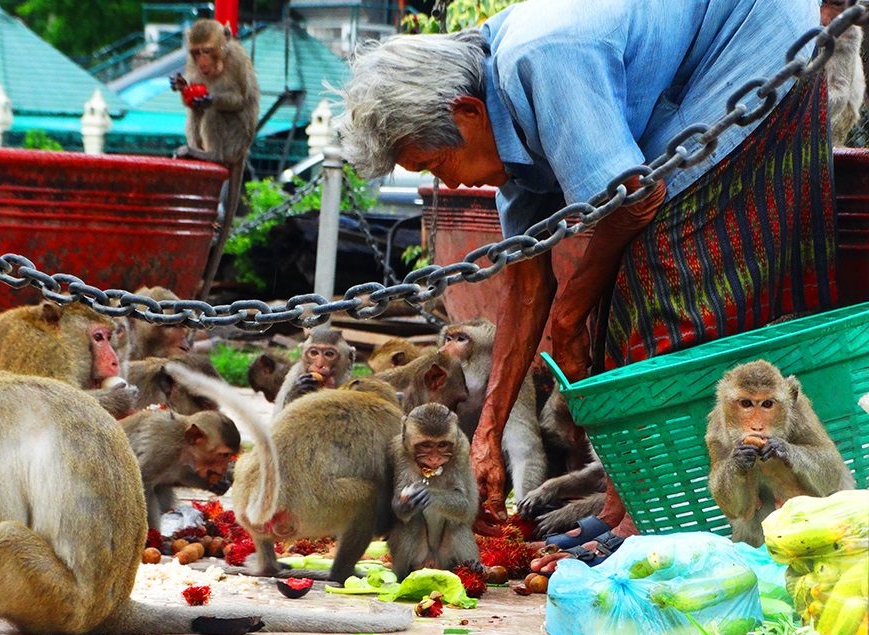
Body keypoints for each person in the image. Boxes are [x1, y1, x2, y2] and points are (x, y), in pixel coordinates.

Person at [337, 0, 838, 559]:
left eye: (435, 165)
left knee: (665, 267)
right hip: (688, 87)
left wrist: (571, 318)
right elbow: (527, 281)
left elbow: (634, 200)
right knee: (613, 291)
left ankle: (651, 520)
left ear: (468, 113)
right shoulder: (505, 111)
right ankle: (623, 506)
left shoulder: (545, 58)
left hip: (757, 49)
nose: (448, 187)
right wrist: (486, 439)